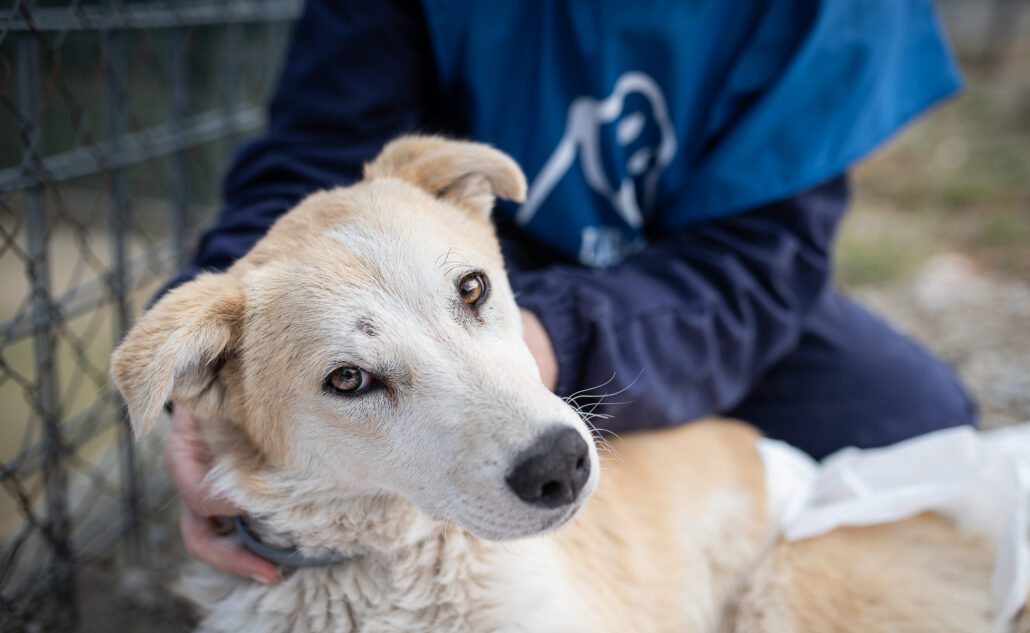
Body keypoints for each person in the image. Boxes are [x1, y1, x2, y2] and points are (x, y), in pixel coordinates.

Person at [160, 0, 976, 583]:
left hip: (694, 291)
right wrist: (229, 365)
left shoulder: (826, 13)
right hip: (453, 280)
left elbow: (759, 262)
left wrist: (550, 336)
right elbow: (314, 165)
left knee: (916, 424)